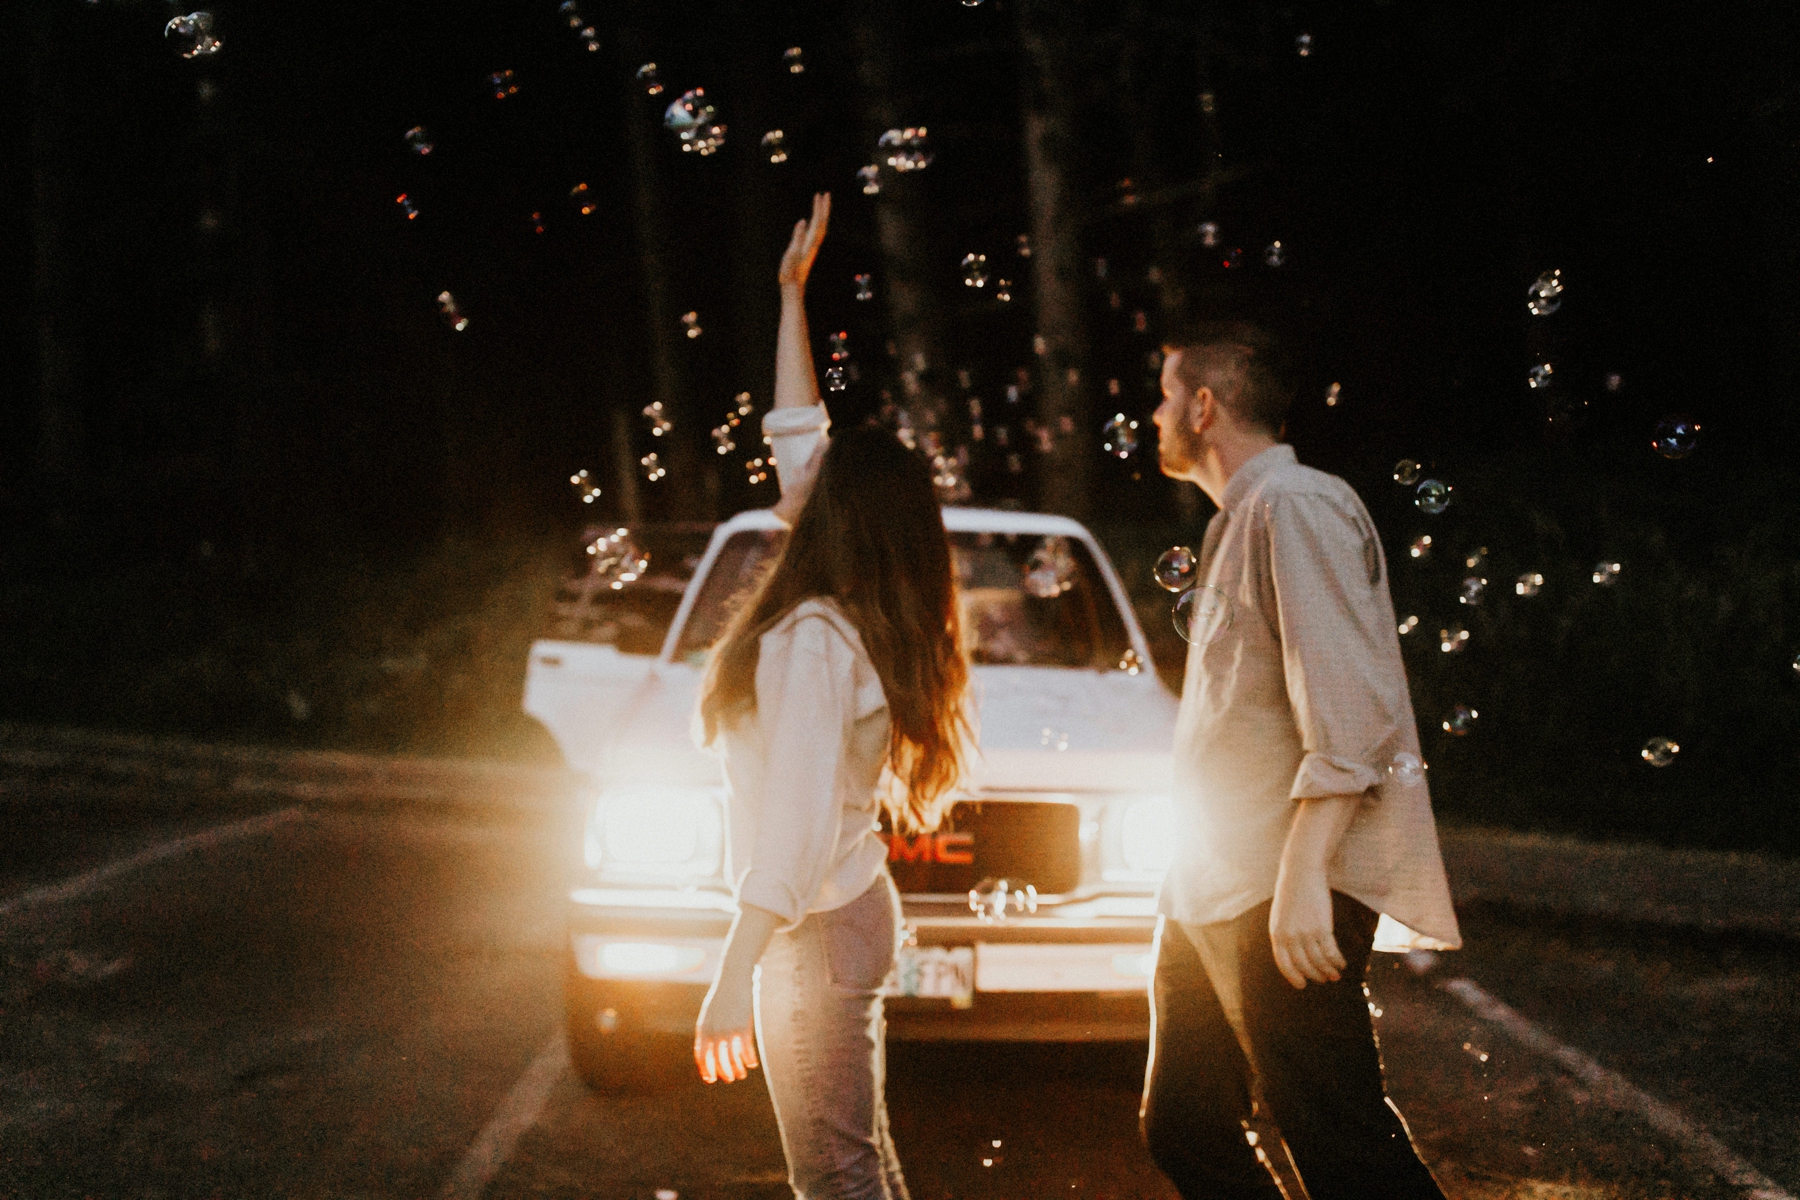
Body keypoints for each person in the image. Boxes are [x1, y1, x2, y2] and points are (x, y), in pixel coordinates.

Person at [692, 192, 972, 1200]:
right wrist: (789, 300)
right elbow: (798, 429)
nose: (793, 470)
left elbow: (796, 823)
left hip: (811, 929)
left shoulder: (812, 637)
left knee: (837, 1180)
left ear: (836, 512)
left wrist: (732, 975)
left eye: (815, 476)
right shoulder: (854, 613)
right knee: (863, 1164)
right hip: (846, 911)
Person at [1142, 322, 1462, 1200]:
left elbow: (1348, 705)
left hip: (1281, 888)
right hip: (1213, 884)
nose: (1153, 413)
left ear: (1204, 407)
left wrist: (1304, 873)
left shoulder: (1297, 505)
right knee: (1187, 1125)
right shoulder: (1235, 525)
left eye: (1166, 395)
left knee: (1341, 1139)